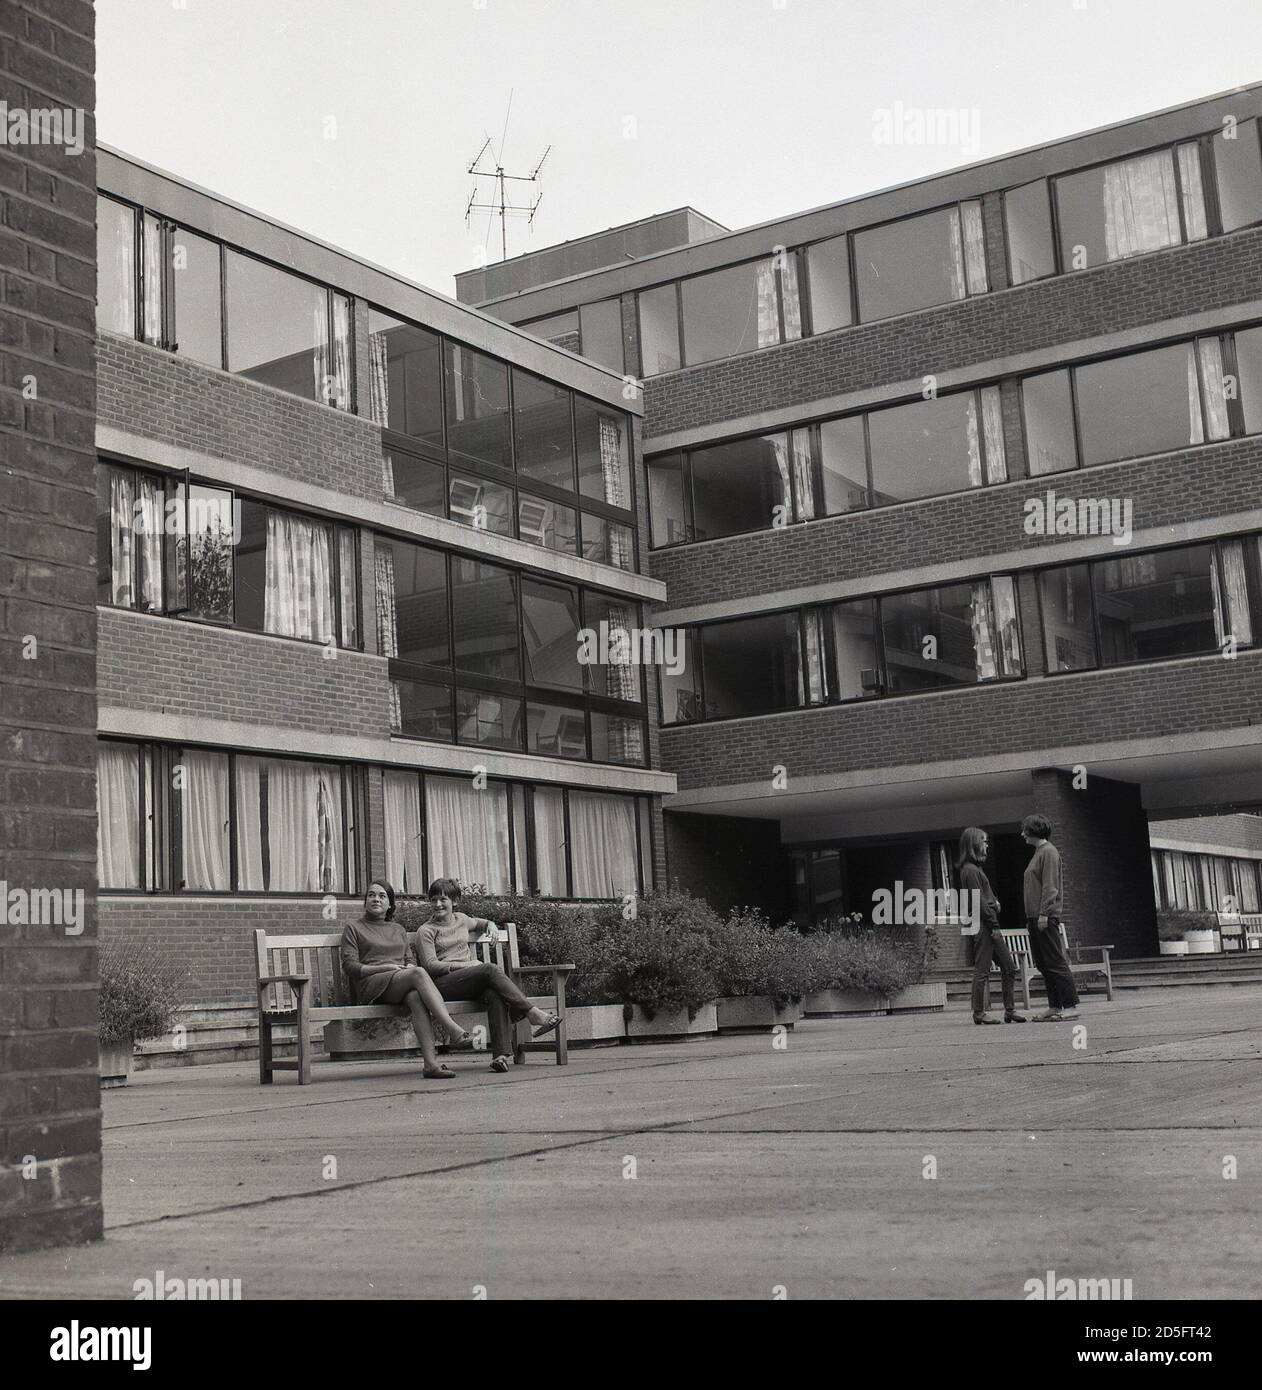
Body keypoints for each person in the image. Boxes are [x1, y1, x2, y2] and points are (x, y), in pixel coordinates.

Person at [417, 878, 559, 1074]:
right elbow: (430, 966)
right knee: (489, 969)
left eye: (443, 899)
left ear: (455, 901)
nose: (438, 904)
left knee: (493, 994)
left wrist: (491, 926)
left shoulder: (462, 919)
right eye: (433, 900)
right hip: (441, 986)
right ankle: (530, 1012)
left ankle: (500, 1057)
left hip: (467, 983)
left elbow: (482, 923)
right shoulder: (426, 930)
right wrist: (468, 965)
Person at [339, 880, 477, 1079]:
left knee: (414, 996)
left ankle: (430, 1065)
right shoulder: (353, 928)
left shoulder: (398, 929)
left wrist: (409, 967)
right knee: (419, 973)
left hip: (399, 981)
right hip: (372, 984)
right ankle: (452, 1029)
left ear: (389, 904)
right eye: (371, 895)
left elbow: (409, 960)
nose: (376, 899)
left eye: (382, 896)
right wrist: (386, 967)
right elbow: (350, 966)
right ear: (365, 901)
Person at [958, 826, 1025, 1025]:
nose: (987, 845)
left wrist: (994, 902)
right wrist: (994, 922)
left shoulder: (975, 870)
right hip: (985, 926)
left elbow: (986, 897)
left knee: (1009, 967)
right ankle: (979, 1013)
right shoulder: (970, 870)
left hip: (987, 923)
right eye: (984, 841)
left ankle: (1009, 1010)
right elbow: (978, 901)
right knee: (982, 970)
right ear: (974, 844)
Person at [1020, 814, 1080, 1022]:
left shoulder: (1049, 853)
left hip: (1044, 916)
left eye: (1025, 831)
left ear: (1034, 831)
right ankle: (1055, 1006)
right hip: (1034, 917)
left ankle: (1070, 1006)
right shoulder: (1039, 853)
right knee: (1044, 963)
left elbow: (1050, 886)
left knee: (1055, 961)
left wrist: (1045, 913)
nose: (1022, 834)